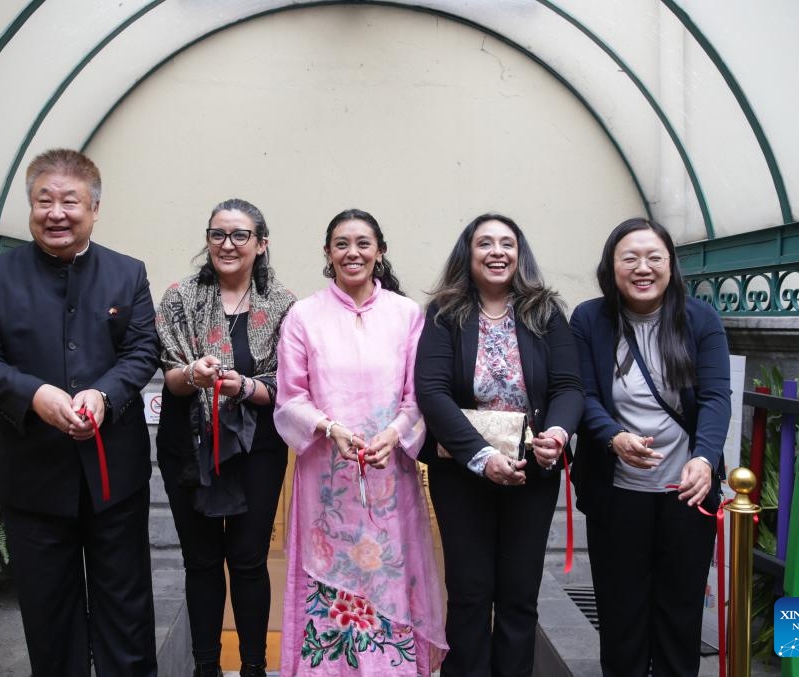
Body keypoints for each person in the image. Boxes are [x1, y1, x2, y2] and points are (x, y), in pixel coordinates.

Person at [0, 148, 158, 676]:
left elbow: (142, 351)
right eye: (44, 200)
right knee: (48, 614)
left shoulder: (127, 273)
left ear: (94, 208)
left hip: (115, 473)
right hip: (33, 476)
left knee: (127, 609)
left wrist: (105, 395)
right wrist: (34, 396)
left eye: (70, 201)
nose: (56, 212)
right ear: (31, 207)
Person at [273, 209, 447, 676]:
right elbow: (291, 398)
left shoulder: (406, 314)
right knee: (327, 578)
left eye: (363, 243)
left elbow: (419, 394)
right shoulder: (303, 315)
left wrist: (393, 434)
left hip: (391, 473)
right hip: (327, 480)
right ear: (327, 253)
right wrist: (330, 429)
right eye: (342, 243)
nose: (353, 252)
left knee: (390, 573)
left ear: (380, 252)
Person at [414, 213, 583, 677]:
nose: (497, 252)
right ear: (468, 255)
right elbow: (431, 392)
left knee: (518, 596)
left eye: (507, 243)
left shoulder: (545, 312)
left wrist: (559, 435)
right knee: (469, 594)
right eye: (484, 243)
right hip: (462, 471)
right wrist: (483, 457)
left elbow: (569, 387)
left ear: (519, 253)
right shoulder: (445, 313)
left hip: (532, 472)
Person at [569, 217, 730, 677]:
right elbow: (583, 394)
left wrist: (705, 458)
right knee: (621, 617)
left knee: (680, 616)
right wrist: (612, 437)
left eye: (654, 257)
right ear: (612, 266)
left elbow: (717, 396)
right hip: (617, 494)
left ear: (670, 265)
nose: (643, 267)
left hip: (686, 492)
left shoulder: (701, 319)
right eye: (630, 258)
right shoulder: (588, 319)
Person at [154, 198, 295, 677]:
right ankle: (206, 667)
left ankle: (254, 666)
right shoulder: (180, 297)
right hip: (189, 446)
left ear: (261, 244)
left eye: (240, 235)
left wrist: (249, 386)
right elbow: (170, 375)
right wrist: (194, 373)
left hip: (256, 449)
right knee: (201, 560)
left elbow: (291, 384)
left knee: (249, 559)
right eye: (218, 234)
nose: (228, 245)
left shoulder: (284, 305)